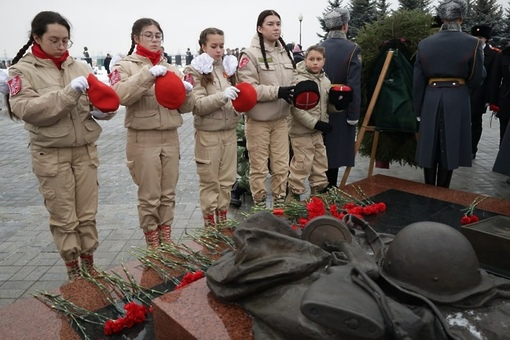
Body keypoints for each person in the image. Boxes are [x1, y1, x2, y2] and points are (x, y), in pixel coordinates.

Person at [3, 11, 116, 282]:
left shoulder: (80, 67)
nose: (61, 46)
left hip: (84, 150)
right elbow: (27, 109)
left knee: (87, 213)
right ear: (36, 38)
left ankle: (89, 264)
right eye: (54, 40)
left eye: (66, 41)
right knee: (64, 217)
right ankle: (73, 271)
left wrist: (103, 112)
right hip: (51, 154)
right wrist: (68, 94)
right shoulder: (21, 71)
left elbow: (102, 100)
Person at [110, 18, 195, 249]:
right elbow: (119, 96)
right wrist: (147, 75)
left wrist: (187, 92)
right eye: (149, 35)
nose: (155, 39)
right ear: (136, 38)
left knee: (168, 192)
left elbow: (185, 108)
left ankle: (166, 238)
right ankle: (153, 243)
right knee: (149, 195)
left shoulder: (171, 68)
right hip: (142, 137)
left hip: (170, 135)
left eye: (158, 35)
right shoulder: (124, 66)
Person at [413, 0, 485, 188]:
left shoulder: (425, 43)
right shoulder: (473, 43)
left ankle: (428, 188)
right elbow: (477, 76)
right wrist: (464, 88)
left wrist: (417, 109)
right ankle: (443, 190)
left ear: (442, 18)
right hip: (457, 95)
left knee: (429, 144)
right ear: (461, 18)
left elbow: (418, 79)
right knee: (450, 143)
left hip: (430, 95)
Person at [236, 9, 296, 208]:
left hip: (281, 120)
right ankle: (259, 204)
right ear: (260, 28)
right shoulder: (250, 54)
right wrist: (277, 91)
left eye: (278, 23)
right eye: (270, 24)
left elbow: (294, 80)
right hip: (258, 122)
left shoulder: (285, 52)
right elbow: (248, 89)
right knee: (259, 168)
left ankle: (279, 204)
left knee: (281, 166)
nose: (276, 27)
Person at [183, 27, 240, 227]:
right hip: (208, 134)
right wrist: (222, 96)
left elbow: (239, 96)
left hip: (229, 132)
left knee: (227, 180)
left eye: (221, 46)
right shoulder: (194, 70)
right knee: (209, 182)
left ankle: (222, 220)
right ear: (203, 46)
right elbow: (196, 105)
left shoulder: (227, 68)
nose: (219, 50)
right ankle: (210, 225)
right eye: (214, 46)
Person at [320, 8, 361, 188]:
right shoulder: (353, 49)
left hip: (320, 105)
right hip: (341, 106)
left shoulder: (318, 47)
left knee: (322, 149)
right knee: (335, 153)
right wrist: (354, 114)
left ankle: (321, 189)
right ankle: (331, 189)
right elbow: (354, 84)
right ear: (345, 26)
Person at [287, 45, 331, 201]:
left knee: (320, 162)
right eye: (311, 59)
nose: (315, 63)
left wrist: (338, 105)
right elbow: (296, 109)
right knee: (302, 164)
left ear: (324, 61)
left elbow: (326, 104)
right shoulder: (299, 79)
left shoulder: (325, 80)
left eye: (318, 59)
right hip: (301, 131)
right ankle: (294, 196)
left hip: (317, 133)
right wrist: (316, 123)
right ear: (305, 60)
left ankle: (318, 194)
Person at [470, 25, 499, 159]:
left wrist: (489, 98)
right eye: (476, 37)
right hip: (466, 92)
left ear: (486, 39)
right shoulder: (468, 50)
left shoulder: (492, 54)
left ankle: (472, 149)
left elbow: (493, 78)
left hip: (480, 94)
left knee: (476, 122)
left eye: (481, 37)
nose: (478, 40)